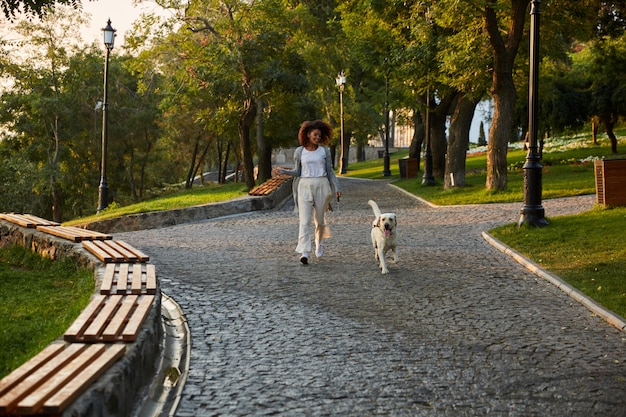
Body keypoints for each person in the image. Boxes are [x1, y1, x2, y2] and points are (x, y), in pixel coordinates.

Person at [275, 120, 342, 265]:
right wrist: (283, 171)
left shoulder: (324, 151)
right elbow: (298, 171)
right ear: (308, 134)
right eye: (315, 135)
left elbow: (330, 172)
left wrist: (337, 188)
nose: (317, 138)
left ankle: (319, 241)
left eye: (319, 135)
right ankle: (305, 252)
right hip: (304, 185)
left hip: (322, 184)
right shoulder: (300, 151)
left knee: (320, 220)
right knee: (304, 221)